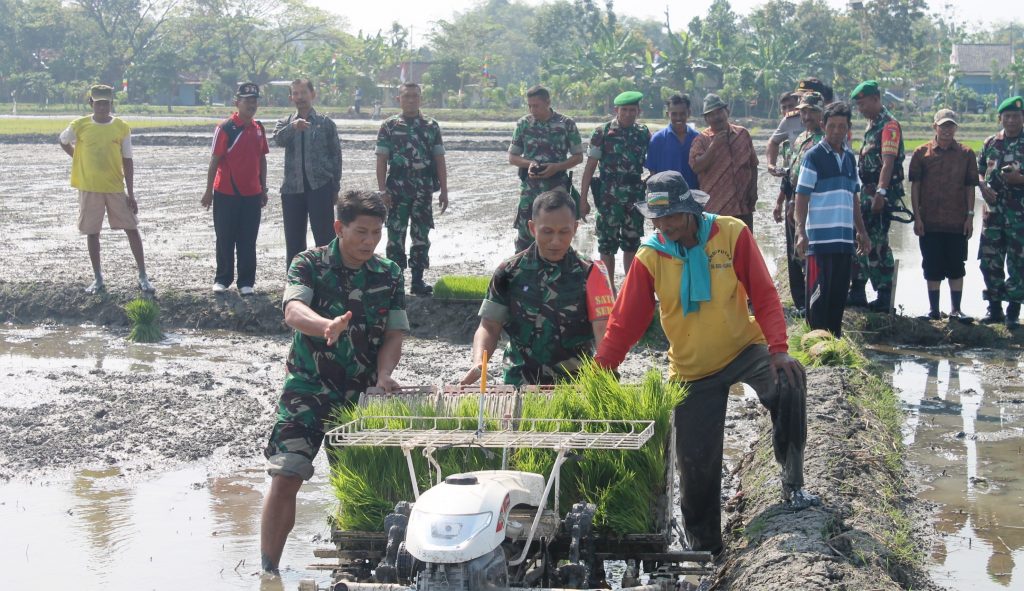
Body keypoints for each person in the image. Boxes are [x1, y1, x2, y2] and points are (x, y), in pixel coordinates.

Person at [595, 171, 815, 556]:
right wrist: (602, 369)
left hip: (744, 349)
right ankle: (707, 549)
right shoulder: (651, 256)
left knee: (790, 382)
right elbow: (625, 321)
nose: (665, 226)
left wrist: (778, 349)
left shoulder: (730, 234)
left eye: (672, 217)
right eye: (657, 219)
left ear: (691, 210)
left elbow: (764, 295)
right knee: (696, 466)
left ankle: (792, 483)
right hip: (692, 369)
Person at [260, 190, 407, 576]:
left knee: (358, 484)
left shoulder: (389, 273)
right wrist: (324, 325)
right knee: (287, 472)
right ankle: (269, 571)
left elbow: (394, 334)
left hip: (360, 394)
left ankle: (355, 566)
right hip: (308, 388)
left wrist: (385, 374)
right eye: (361, 232)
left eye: (376, 233)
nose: (369, 242)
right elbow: (293, 309)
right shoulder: (309, 263)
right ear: (339, 227)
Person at [461, 190, 614, 386]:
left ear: (575, 228)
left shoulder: (592, 273)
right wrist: (478, 363)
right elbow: (489, 326)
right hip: (520, 380)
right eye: (547, 231)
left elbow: (603, 329)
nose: (555, 241)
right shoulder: (508, 272)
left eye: (564, 232)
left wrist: (606, 373)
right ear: (533, 228)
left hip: (575, 383)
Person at [59, 84, 155, 294]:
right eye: (98, 103)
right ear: (91, 103)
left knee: (132, 228)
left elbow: (127, 160)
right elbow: (63, 140)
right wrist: (78, 157)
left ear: (112, 104)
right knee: (92, 232)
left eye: (106, 103)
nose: (102, 107)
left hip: (114, 187)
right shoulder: (80, 125)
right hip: (89, 187)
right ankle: (98, 278)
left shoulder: (121, 127)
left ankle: (143, 275)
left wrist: (131, 192)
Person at [793, 102, 871, 337]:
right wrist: (800, 231)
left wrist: (862, 231)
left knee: (838, 296)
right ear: (823, 125)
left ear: (848, 128)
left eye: (842, 126)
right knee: (818, 296)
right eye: (832, 126)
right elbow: (802, 196)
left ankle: (834, 341)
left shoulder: (848, 157)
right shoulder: (813, 157)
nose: (837, 130)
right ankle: (815, 343)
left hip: (843, 241)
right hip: (819, 241)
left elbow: (853, 198)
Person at [376, 82, 449, 295]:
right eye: (406, 96)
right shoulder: (389, 125)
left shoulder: (431, 126)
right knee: (395, 235)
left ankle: (417, 280)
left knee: (421, 234)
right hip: (396, 190)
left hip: (423, 190)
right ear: (399, 99)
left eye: (415, 96)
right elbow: (381, 159)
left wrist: (444, 190)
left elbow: (439, 158)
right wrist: (382, 191)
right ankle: (395, 282)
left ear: (421, 98)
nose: (411, 100)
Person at [908, 109, 979, 323]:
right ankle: (933, 310)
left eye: (950, 126)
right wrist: (917, 218)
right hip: (929, 222)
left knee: (957, 266)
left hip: (957, 222)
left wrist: (969, 217)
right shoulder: (922, 153)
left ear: (956, 128)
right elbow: (915, 187)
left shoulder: (966, 154)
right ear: (935, 127)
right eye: (943, 126)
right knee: (931, 265)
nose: (947, 130)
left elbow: (970, 188)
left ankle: (956, 310)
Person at [201, 82, 269, 295]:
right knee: (225, 236)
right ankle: (223, 278)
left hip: (252, 194)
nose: (251, 104)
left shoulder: (259, 128)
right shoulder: (226, 128)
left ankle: (246, 281)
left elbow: (262, 159)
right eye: (247, 100)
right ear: (237, 102)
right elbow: (215, 160)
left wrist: (264, 188)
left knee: (248, 238)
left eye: (254, 100)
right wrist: (208, 191)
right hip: (226, 193)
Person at [579, 90, 651, 285]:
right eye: (624, 110)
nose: (628, 114)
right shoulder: (602, 132)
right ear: (616, 110)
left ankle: (629, 291)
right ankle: (609, 291)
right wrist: (582, 199)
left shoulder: (643, 133)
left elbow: (652, 164)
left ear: (638, 111)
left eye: (632, 110)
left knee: (632, 245)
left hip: (634, 199)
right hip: (609, 200)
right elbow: (590, 167)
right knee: (607, 246)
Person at [273, 79, 343, 269]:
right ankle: (296, 279)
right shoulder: (284, 122)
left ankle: (328, 276)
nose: (300, 97)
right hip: (292, 189)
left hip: (320, 186)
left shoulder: (325, 123)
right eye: (296, 93)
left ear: (313, 94)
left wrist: (335, 187)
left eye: (303, 92)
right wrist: (293, 127)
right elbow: (278, 140)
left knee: (325, 237)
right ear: (290, 98)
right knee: (294, 239)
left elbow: (336, 156)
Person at [849, 80, 905, 312]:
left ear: (875, 99)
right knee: (861, 238)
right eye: (858, 105)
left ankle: (883, 295)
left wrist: (881, 193)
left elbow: (888, 163)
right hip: (867, 191)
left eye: (862, 104)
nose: (860, 109)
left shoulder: (889, 125)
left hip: (879, 194)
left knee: (879, 242)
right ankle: (859, 291)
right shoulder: (872, 125)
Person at [508, 85, 584, 252]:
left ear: (547, 102)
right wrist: (529, 164)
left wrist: (557, 167)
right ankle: (521, 274)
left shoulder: (566, 124)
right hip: (530, 188)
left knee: (557, 234)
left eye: (536, 105)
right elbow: (512, 157)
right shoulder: (523, 124)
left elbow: (578, 156)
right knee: (524, 235)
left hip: (556, 187)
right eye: (530, 106)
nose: (532, 109)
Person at [774, 92, 827, 314]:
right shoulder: (799, 139)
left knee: (810, 257)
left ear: (821, 113)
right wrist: (779, 201)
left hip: (812, 207)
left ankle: (814, 304)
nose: (806, 116)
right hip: (793, 206)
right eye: (803, 111)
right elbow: (789, 174)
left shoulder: (826, 141)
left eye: (811, 111)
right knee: (795, 256)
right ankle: (800, 304)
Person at [978, 96, 1024, 328]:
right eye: (1007, 117)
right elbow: (978, 171)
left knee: (1018, 263)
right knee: (989, 261)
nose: (1012, 120)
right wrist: (983, 187)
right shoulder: (990, 143)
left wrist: (1019, 179)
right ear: (1001, 118)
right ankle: (994, 308)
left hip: (1019, 217)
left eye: (1016, 116)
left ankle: (1013, 311)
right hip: (993, 214)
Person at [689, 94, 759, 231]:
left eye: (719, 112)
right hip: (716, 209)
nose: (717, 117)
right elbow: (696, 167)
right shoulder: (701, 140)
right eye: (711, 114)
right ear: (706, 119)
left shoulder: (742, 134)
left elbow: (753, 164)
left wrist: (753, 190)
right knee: (718, 250)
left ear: (727, 111)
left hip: (743, 207)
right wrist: (714, 146)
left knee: (744, 248)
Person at [766, 78, 835, 178]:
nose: (801, 100)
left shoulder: (834, 122)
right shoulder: (791, 120)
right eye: (799, 97)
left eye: (805, 96)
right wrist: (771, 164)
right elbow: (773, 142)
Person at [645, 93, 700, 191]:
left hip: (692, 197)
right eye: (674, 114)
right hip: (665, 198)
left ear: (689, 113)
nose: (678, 118)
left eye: (682, 113)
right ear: (667, 114)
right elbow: (652, 173)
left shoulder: (697, 138)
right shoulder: (657, 139)